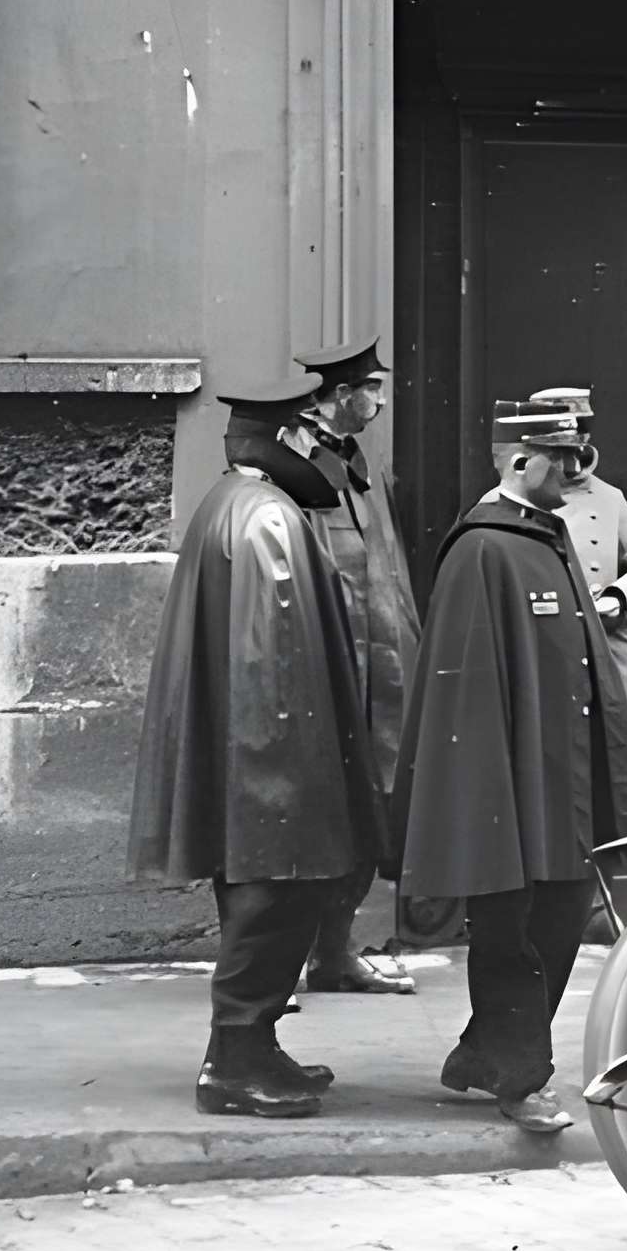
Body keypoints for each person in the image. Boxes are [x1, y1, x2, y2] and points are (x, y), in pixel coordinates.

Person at [127, 378, 393, 1121]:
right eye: (306, 436)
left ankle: (255, 1045)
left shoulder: (231, 501)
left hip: (250, 751)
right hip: (274, 757)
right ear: (286, 442)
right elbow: (274, 656)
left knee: (260, 900)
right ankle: (237, 1061)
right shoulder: (268, 517)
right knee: (275, 898)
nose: (320, 450)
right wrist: (291, 778)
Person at [394, 403, 627, 1136]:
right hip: (511, 787)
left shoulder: (548, 534)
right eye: (559, 459)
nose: (574, 472)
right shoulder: (483, 548)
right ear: (518, 463)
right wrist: (488, 801)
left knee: (559, 921)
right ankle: (521, 1079)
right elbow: (467, 692)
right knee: (518, 930)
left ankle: (483, 1054)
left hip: (559, 779)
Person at [284, 338, 421, 1003]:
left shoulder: (357, 461)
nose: (382, 400)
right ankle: (278, 965)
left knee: (373, 809)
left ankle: (335, 954)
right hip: (332, 671)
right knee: (316, 815)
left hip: (384, 670)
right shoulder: (299, 462)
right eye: (373, 389)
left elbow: (385, 567)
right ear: (342, 396)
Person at [512, 387, 627, 817]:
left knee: (613, 786)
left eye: (580, 432)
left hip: (609, 654)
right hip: (545, 656)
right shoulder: (504, 502)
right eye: (562, 436)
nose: (573, 446)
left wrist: (620, 598)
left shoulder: (608, 498)